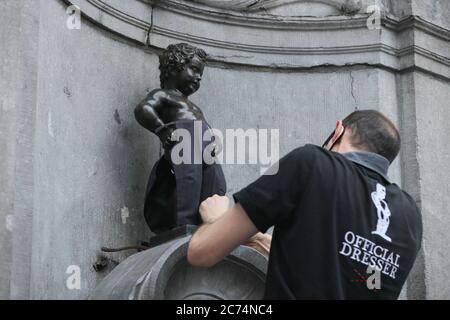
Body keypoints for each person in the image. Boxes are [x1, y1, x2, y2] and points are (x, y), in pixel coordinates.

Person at [187, 110, 423, 299]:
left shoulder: (312, 163)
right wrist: (259, 239)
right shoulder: (410, 215)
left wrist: (217, 220)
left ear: (338, 130)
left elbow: (202, 253)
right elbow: (339, 262)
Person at [134, 43, 226, 233]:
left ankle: (208, 223)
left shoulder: (191, 105)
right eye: (193, 69)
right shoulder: (164, 95)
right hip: (183, 139)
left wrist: (212, 140)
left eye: (201, 73)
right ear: (174, 67)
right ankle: (184, 226)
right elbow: (143, 109)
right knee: (188, 182)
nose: (198, 77)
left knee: (216, 184)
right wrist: (161, 130)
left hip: (203, 145)